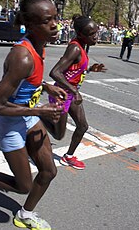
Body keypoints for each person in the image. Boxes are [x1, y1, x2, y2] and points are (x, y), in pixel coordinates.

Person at [0, 0, 67, 230]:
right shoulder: (22, 57)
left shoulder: (40, 45)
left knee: (49, 170)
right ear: (31, 24)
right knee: (23, 185)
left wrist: (46, 86)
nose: (55, 24)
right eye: (47, 20)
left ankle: (26, 214)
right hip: (9, 122)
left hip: (28, 116)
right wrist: (40, 110)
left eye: (55, 18)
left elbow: (27, 83)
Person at [42, 16, 106, 170]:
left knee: (82, 126)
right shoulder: (75, 48)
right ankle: (39, 116)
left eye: (96, 32)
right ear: (81, 35)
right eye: (92, 34)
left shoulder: (82, 46)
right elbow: (55, 72)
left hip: (70, 93)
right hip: (61, 95)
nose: (96, 36)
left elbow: (74, 69)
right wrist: (73, 91)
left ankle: (68, 156)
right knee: (58, 135)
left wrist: (90, 69)